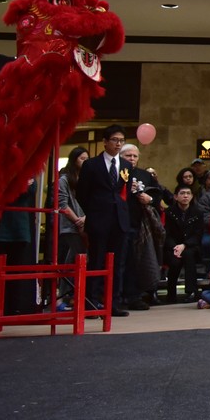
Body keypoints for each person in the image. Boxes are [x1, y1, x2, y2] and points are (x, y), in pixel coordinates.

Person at [77, 125, 131, 316]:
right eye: (115, 140)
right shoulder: (92, 165)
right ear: (105, 142)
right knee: (97, 261)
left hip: (120, 219)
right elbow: (82, 193)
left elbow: (125, 192)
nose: (118, 144)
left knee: (117, 263)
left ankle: (113, 303)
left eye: (121, 140)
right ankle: (92, 302)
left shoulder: (126, 165)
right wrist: (94, 211)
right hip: (99, 218)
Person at [53, 147, 87, 311]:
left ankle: (69, 296)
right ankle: (64, 296)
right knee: (74, 258)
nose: (85, 162)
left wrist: (86, 219)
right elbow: (62, 204)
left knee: (75, 259)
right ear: (74, 160)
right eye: (82, 159)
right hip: (70, 226)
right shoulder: (64, 179)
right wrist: (78, 221)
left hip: (86, 223)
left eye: (87, 159)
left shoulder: (87, 178)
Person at [162, 185, 208, 303]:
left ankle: (191, 291)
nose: (185, 196)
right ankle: (171, 294)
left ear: (192, 196)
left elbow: (197, 235)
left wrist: (184, 245)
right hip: (173, 247)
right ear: (176, 197)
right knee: (175, 261)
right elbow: (166, 234)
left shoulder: (198, 212)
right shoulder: (169, 212)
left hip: (191, 246)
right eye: (182, 193)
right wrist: (175, 247)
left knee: (188, 255)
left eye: (188, 193)